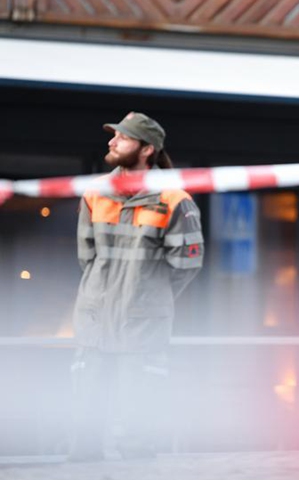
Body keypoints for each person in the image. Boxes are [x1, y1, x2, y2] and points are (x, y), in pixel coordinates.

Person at [70, 112, 204, 460]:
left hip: (142, 327)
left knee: (138, 435)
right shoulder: (96, 193)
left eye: (122, 138)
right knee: (83, 432)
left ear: (147, 150)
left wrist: (147, 295)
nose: (112, 143)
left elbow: (187, 264)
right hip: (96, 324)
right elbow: (88, 257)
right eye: (113, 136)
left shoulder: (174, 200)